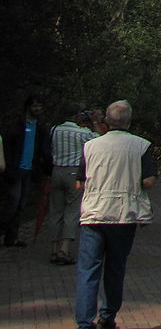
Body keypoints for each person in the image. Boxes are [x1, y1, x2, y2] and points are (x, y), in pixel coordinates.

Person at [73, 100, 156, 329]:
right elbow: (149, 181)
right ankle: (107, 317)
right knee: (115, 268)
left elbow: (80, 183)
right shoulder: (141, 146)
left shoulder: (90, 146)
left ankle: (84, 328)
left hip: (94, 214)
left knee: (88, 271)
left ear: (106, 121)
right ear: (129, 121)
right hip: (123, 214)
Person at [49, 104, 97, 264]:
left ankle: (54, 249)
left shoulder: (54, 130)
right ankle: (64, 249)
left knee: (55, 210)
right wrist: (93, 121)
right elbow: (99, 140)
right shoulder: (82, 133)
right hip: (73, 172)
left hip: (56, 171)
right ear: (77, 116)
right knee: (72, 210)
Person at [1, 95, 50, 247]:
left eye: (40, 106)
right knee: (12, 203)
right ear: (29, 106)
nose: (38, 109)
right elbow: (9, 144)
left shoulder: (40, 126)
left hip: (29, 169)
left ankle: (12, 237)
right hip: (15, 169)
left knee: (21, 205)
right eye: (35, 106)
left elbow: (43, 149)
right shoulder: (17, 124)